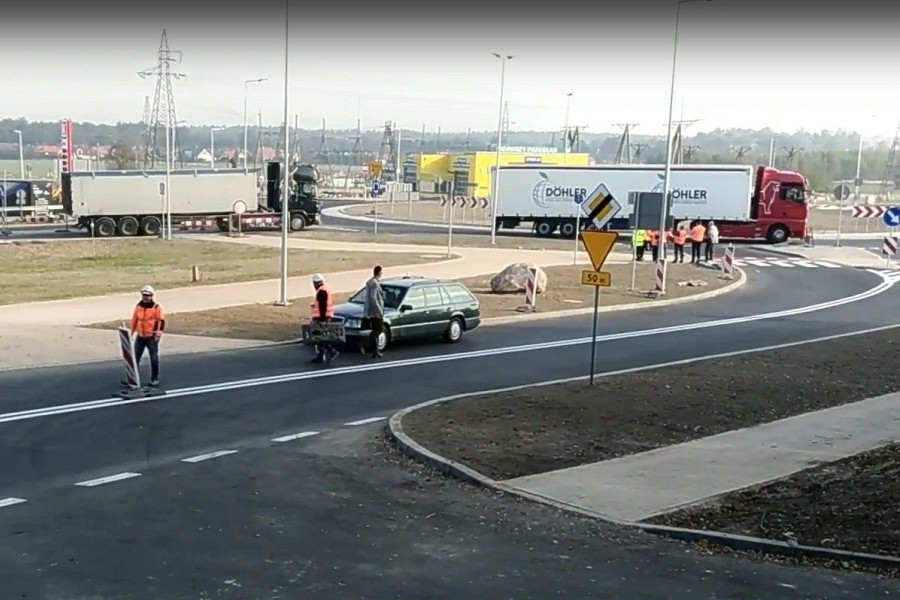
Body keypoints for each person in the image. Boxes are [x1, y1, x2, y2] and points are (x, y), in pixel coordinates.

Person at [128, 285, 165, 387]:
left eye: (148, 295)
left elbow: (160, 322)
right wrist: (131, 333)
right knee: (135, 358)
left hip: (151, 337)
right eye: (144, 295)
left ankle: (154, 379)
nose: (146, 297)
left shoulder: (156, 307)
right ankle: (133, 379)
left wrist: (158, 334)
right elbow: (134, 319)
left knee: (153, 358)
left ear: (152, 296)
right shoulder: (138, 306)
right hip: (140, 337)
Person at [309, 273, 338, 365]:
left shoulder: (321, 291)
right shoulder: (326, 289)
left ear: (315, 283)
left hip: (322, 317)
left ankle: (331, 351)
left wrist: (321, 319)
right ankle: (320, 356)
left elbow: (322, 306)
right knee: (320, 336)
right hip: (327, 315)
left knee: (319, 337)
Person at [363, 265, 385, 358]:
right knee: (378, 329)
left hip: (370, 311)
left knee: (375, 329)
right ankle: (374, 348)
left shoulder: (369, 282)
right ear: (379, 272)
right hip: (375, 311)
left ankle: (375, 351)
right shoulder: (375, 283)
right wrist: (379, 310)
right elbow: (373, 297)